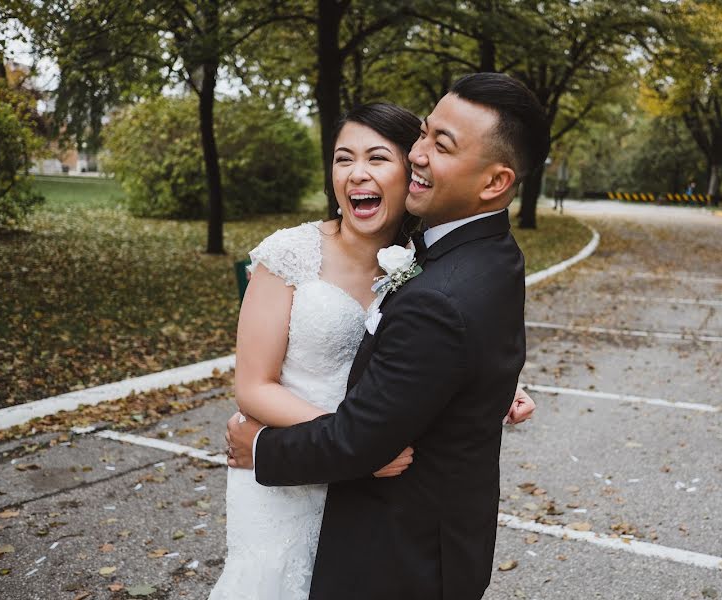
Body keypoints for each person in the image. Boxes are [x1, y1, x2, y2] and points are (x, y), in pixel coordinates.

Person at [226, 73, 550, 600]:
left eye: (381, 157)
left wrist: (261, 448)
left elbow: (429, 355)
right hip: (326, 489)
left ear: (495, 182)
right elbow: (432, 351)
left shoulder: (425, 266)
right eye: (423, 135)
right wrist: (478, 386)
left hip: (389, 533)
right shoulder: (481, 248)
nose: (420, 154)